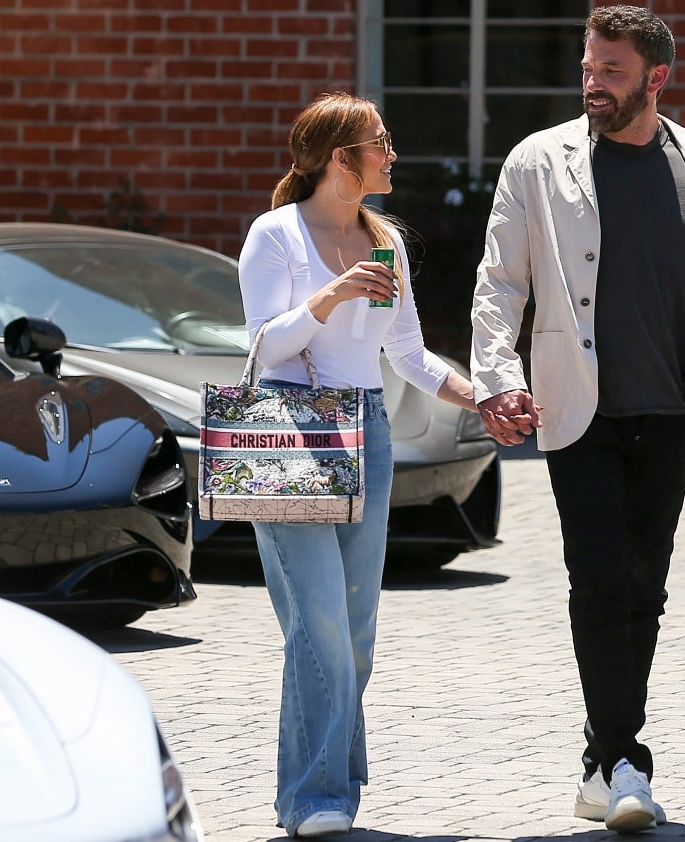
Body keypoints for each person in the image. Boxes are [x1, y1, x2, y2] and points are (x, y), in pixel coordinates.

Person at [470, 5, 685, 834]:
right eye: (588, 67)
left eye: (612, 70)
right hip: (578, 410)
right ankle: (626, 758)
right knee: (601, 578)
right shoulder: (539, 161)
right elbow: (500, 283)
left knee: (645, 585)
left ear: (656, 78)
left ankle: (601, 762)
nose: (594, 83)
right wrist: (496, 379)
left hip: (669, 413)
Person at [238, 92, 477, 839]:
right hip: (289, 432)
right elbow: (265, 347)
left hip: (365, 428)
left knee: (357, 629)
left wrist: (483, 397)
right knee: (318, 625)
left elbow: (406, 352)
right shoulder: (275, 235)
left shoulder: (384, 239)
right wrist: (331, 294)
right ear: (342, 158)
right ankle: (315, 799)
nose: (393, 153)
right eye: (381, 142)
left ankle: (330, 783)